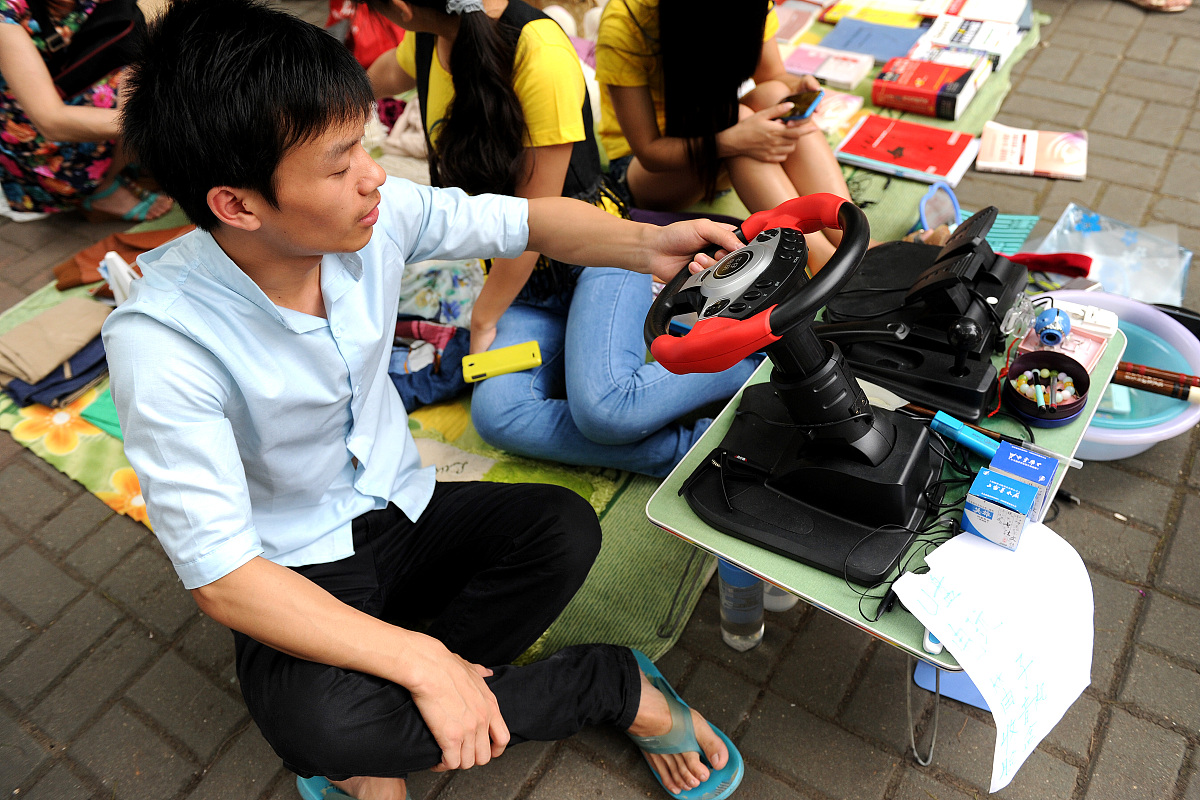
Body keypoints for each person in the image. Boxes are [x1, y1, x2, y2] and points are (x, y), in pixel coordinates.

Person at [105, 2, 745, 799]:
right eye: (339, 165)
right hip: (297, 561)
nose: (374, 176)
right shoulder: (162, 343)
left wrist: (648, 242)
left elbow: (520, 219)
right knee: (316, 730)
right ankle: (607, 686)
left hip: (398, 505)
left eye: (364, 145)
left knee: (561, 530)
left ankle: (411, 717)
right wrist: (419, 658)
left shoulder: (373, 218)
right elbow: (223, 576)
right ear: (236, 205)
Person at [365, 0, 757, 477]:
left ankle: (746, 366)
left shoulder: (540, 50)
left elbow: (537, 221)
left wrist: (486, 314)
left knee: (606, 410)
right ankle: (691, 451)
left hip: (595, 252)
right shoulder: (429, 35)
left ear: (401, 10)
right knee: (498, 416)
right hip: (520, 281)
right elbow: (381, 74)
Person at [595, 0, 853, 269]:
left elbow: (773, 75)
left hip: (715, 141)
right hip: (645, 171)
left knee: (778, 96)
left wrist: (799, 86)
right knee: (737, 118)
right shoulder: (627, 23)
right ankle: (818, 255)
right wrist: (735, 139)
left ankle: (850, 230)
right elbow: (649, 152)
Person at [0, 0, 172, 220]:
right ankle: (101, 190)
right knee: (144, 97)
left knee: (157, 69)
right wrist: (159, 121)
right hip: (34, 131)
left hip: (79, 81)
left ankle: (131, 159)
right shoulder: (6, 15)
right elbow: (51, 121)